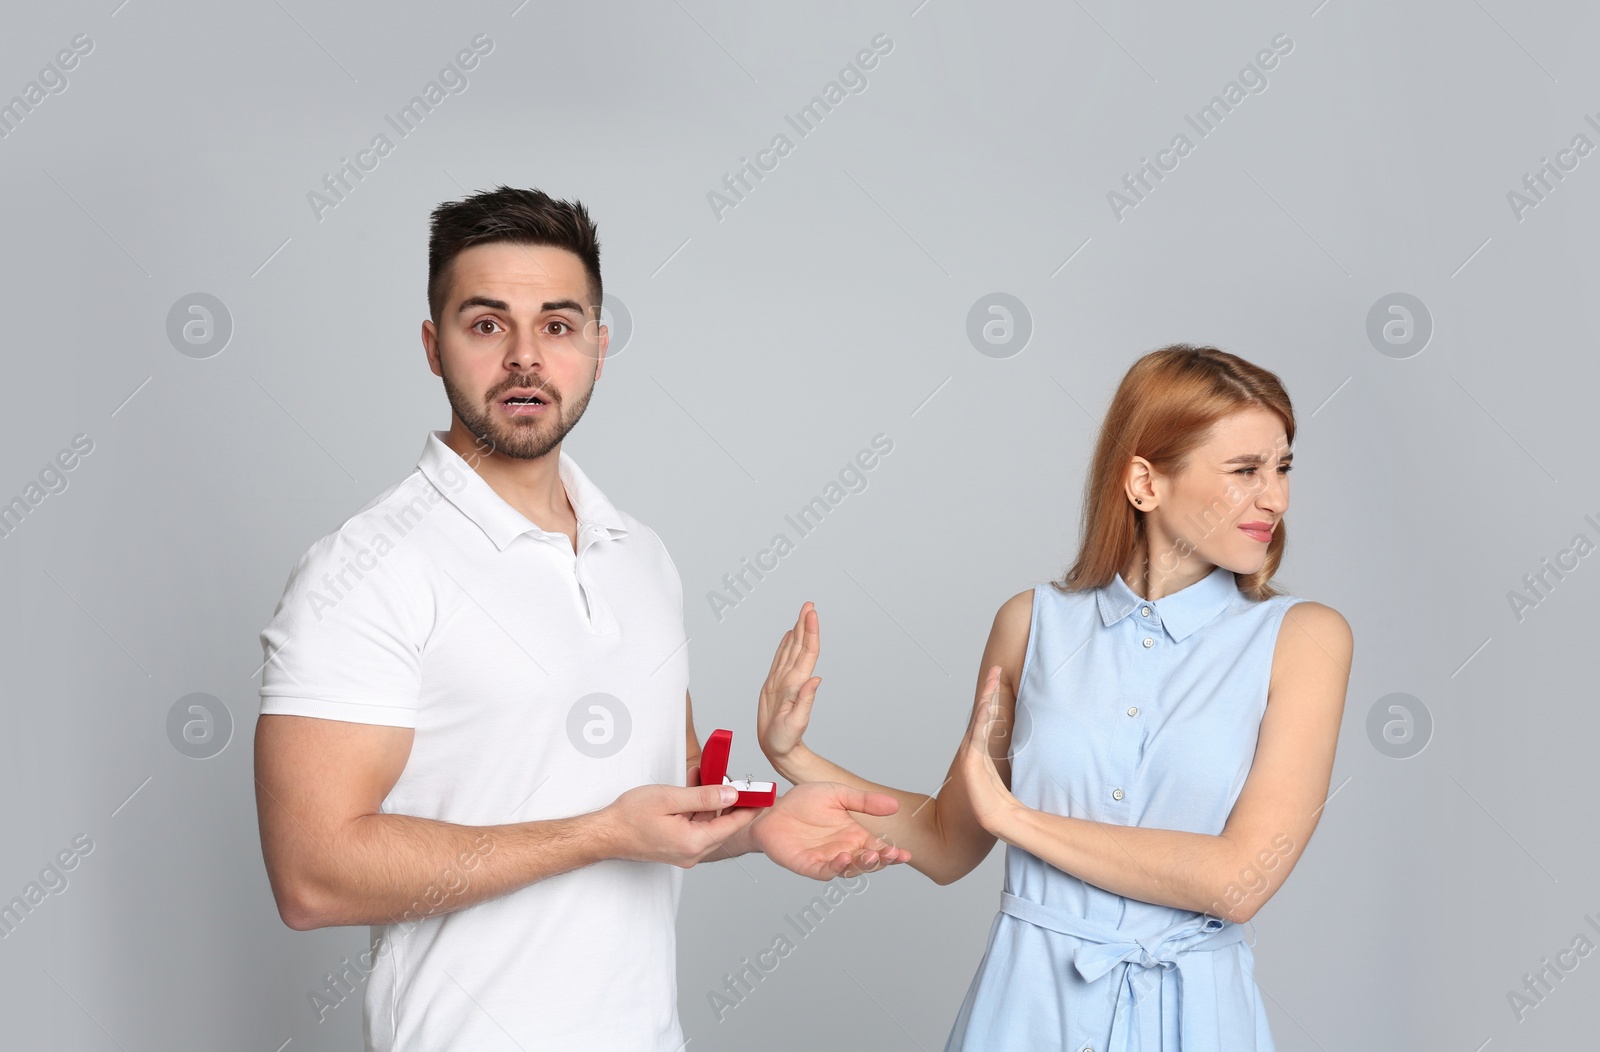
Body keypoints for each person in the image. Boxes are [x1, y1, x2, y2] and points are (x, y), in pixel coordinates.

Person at [252, 185, 909, 1052]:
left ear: (599, 347)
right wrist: (599, 835)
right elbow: (313, 876)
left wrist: (758, 822)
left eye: (558, 326)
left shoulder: (640, 555)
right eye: (486, 325)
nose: (526, 358)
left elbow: (664, 800)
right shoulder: (365, 570)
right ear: (432, 345)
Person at [757, 345, 1352, 1051]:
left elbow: (1238, 882)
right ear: (1144, 483)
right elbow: (950, 842)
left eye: (1282, 467)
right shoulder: (1031, 623)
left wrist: (1016, 818)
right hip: (1027, 1015)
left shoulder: (1305, 639)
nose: (1276, 497)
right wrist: (792, 756)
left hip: (1198, 1022)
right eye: (1245, 471)